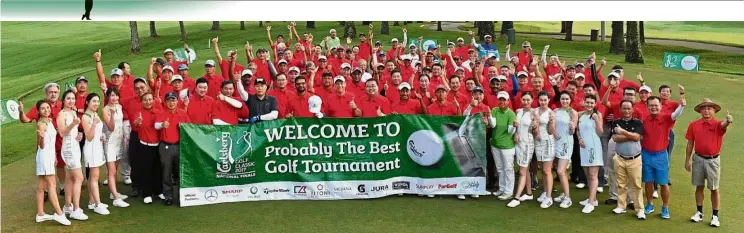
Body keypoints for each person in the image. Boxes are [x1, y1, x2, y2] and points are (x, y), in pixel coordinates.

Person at [685, 98, 731, 227]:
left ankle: (715, 216)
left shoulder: (718, 124)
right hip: (698, 159)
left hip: (713, 161)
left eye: (709, 108)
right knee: (699, 186)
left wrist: (728, 121)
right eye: (704, 108)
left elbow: (724, 125)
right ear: (700, 110)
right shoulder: (693, 125)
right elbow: (690, 143)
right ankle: (699, 213)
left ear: (714, 110)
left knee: (714, 188)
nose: (706, 110)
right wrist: (687, 160)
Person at [642, 93, 685, 219]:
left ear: (661, 106)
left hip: (661, 155)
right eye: (651, 105)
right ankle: (649, 204)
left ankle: (665, 207)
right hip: (646, 154)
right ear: (647, 106)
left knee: (663, 183)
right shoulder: (644, 121)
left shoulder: (666, 118)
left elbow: (675, 114)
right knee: (648, 181)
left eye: (656, 105)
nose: (654, 107)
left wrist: (681, 106)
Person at [19, 83, 65, 200]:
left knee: (60, 164)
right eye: (51, 92)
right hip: (45, 143)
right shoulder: (40, 106)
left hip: (59, 141)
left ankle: (63, 187)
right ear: (46, 94)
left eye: (55, 92)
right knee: (45, 168)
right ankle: (44, 191)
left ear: (58, 93)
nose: (53, 94)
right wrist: (21, 112)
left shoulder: (61, 104)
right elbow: (26, 119)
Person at [33, 100, 71, 225]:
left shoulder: (49, 121)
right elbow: (41, 146)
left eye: (47, 107)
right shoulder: (41, 124)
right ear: (38, 111)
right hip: (44, 156)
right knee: (51, 184)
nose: (46, 110)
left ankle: (40, 214)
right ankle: (59, 213)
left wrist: (54, 155)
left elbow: (51, 142)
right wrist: (42, 137)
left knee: (41, 185)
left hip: (48, 156)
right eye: (43, 108)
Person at [609, 100, 646, 219]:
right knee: (621, 184)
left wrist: (623, 132)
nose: (626, 111)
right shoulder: (616, 122)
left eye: (628, 108)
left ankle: (639, 209)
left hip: (634, 159)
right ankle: (621, 206)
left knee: (636, 184)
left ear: (632, 109)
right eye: (624, 108)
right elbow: (615, 138)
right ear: (620, 109)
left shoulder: (638, 122)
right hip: (620, 157)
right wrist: (630, 136)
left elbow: (637, 137)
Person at [155, 92, 191, 206]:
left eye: (173, 100)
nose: (171, 102)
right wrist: (162, 125)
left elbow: (190, 128)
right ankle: (168, 196)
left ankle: (182, 196)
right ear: (165, 102)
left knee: (180, 172)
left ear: (177, 101)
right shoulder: (161, 113)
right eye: (169, 100)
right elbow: (156, 125)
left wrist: (184, 127)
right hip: (165, 146)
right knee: (166, 172)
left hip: (179, 145)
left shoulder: (182, 113)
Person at [56, 90, 87, 220]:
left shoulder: (73, 112)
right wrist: (73, 124)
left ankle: (68, 206)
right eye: (68, 98)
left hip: (75, 147)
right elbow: (62, 133)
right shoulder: (61, 114)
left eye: (73, 98)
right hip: (68, 149)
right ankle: (76, 209)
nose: (71, 101)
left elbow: (73, 131)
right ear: (63, 100)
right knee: (79, 178)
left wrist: (79, 135)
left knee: (70, 178)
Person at [80, 93, 110, 215]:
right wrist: (94, 123)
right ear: (87, 102)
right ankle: (98, 204)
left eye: (97, 101)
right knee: (94, 176)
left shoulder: (94, 114)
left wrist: (102, 136)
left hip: (97, 148)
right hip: (91, 149)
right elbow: (89, 136)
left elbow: (97, 132)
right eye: (93, 101)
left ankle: (92, 202)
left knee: (93, 176)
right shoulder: (86, 117)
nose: (96, 104)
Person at [506, 92, 538, 208]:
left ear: (532, 100)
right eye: (524, 99)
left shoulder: (534, 113)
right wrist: (515, 132)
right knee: (524, 168)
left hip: (528, 144)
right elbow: (516, 127)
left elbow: (535, 131)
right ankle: (529, 193)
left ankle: (517, 197)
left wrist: (535, 127)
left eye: (528, 100)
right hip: (518, 143)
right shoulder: (518, 111)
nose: (526, 102)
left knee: (522, 171)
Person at [101, 88, 129, 208]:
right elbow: (111, 127)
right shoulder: (105, 110)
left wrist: (124, 137)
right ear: (107, 96)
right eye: (112, 95)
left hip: (119, 141)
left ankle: (114, 193)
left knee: (115, 170)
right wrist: (112, 114)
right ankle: (116, 199)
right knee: (111, 171)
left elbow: (121, 123)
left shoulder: (120, 107)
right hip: (110, 142)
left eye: (116, 96)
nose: (114, 98)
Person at [133, 93, 163, 204]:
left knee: (157, 169)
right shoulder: (138, 113)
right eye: (145, 100)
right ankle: (147, 193)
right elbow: (136, 124)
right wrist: (137, 122)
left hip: (158, 145)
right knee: (146, 170)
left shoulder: (158, 112)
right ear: (142, 101)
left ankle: (158, 191)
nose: (148, 102)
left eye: (150, 99)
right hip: (144, 146)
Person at [488, 91, 517, 201]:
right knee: (500, 168)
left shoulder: (511, 114)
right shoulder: (495, 110)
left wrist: (514, 127)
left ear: (508, 101)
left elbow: (510, 132)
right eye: (500, 99)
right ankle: (502, 188)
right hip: (495, 144)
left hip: (507, 146)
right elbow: (493, 125)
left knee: (508, 168)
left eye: (504, 100)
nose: (502, 102)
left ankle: (509, 191)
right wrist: (490, 117)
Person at [577, 94, 603, 214]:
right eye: (587, 102)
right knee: (587, 173)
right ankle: (593, 198)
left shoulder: (596, 115)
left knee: (593, 174)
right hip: (584, 148)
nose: (589, 105)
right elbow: (578, 129)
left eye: (592, 103)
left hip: (594, 148)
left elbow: (600, 132)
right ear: (584, 102)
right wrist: (579, 138)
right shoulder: (580, 115)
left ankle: (591, 203)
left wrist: (597, 120)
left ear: (595, 104)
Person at [552, 91, 577, 208]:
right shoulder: (556, 111)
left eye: (567, 99)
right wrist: (554, 132)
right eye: (563, 99)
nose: (565, 101)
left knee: (561, 171)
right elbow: (552, 126)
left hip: (566, 143)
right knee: (560, 170)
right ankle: (563, 193)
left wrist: (572, 127)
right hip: (555, 142)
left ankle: (568, 198)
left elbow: (572, 131)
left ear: (570, 100)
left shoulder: (573, 113)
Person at [534, 91, 557, 208]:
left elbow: (551, 131)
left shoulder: (551, 113)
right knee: (542, 170)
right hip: (538, 142)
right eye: (541, 100)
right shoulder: (535, 111)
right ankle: (545, 192)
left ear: (548, 100)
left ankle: (549, 197)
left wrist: (552, 122)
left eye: (545, 100)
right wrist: (535, 131)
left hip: (548, 142)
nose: (543, 102)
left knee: (547, 170)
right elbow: (533, 128)